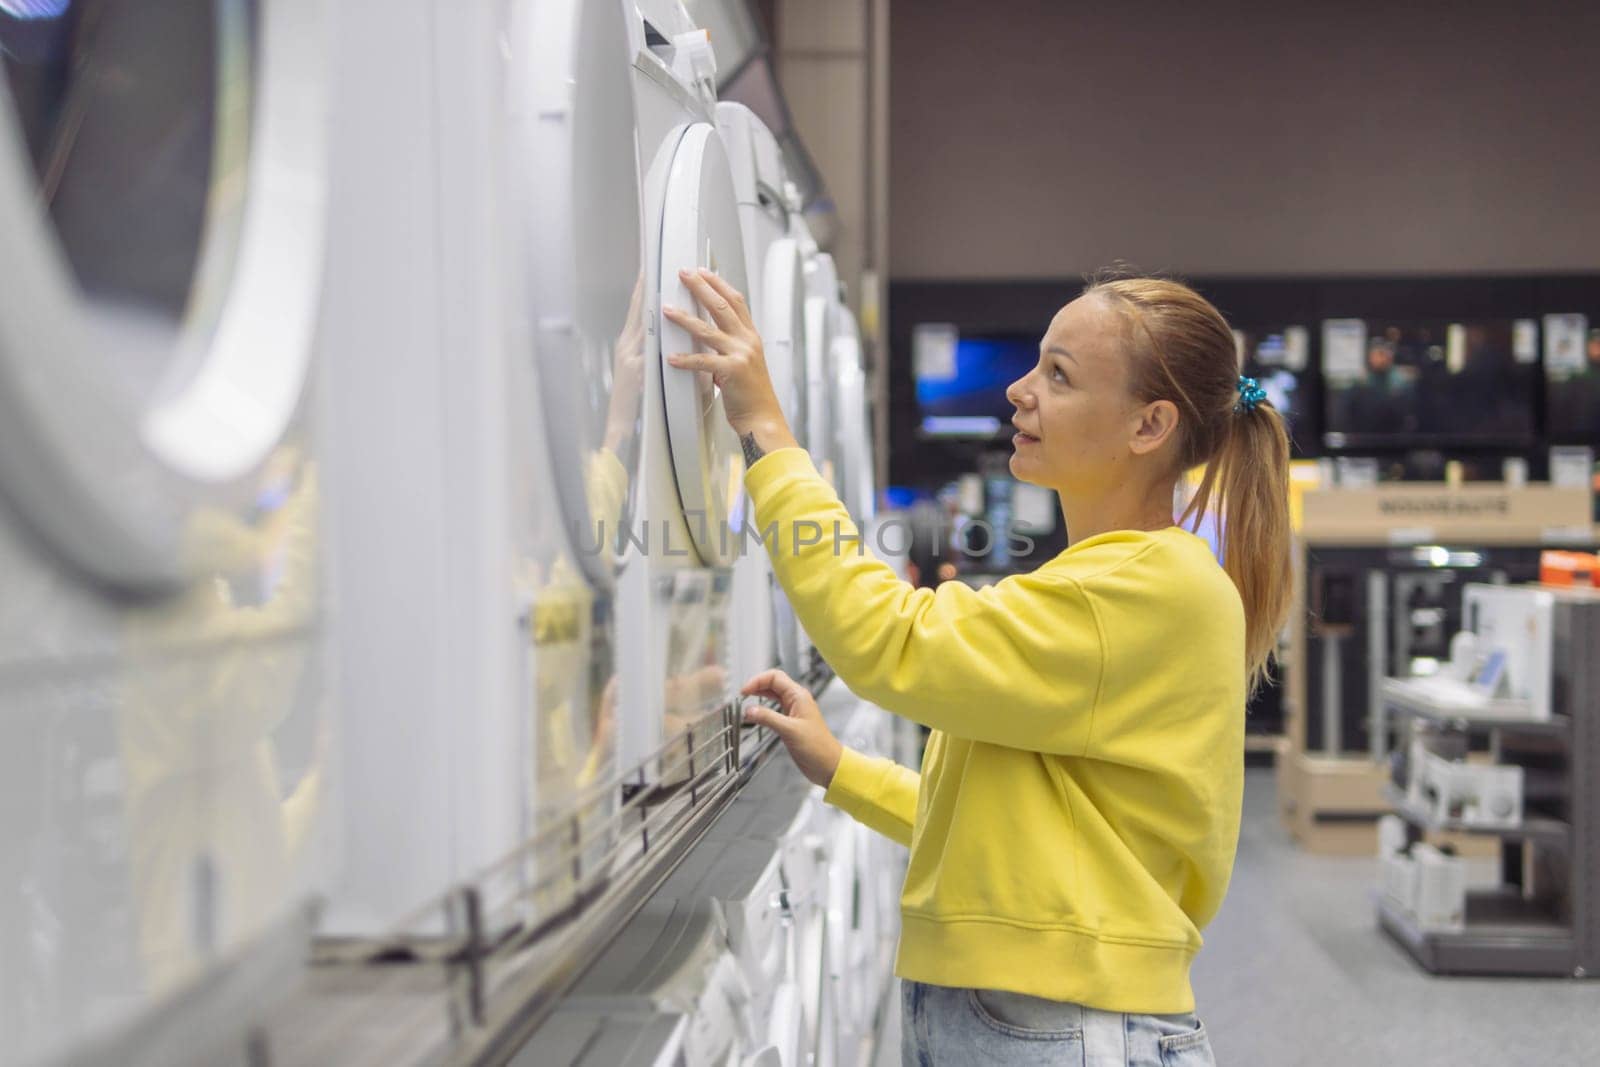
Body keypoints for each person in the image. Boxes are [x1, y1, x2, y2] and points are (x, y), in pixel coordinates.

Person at [664, 269, 1292, 1066]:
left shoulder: (1148, 588)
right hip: (1028, 1016)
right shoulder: (1107, 580)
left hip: (1068, 1024)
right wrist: (842, 769)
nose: (1019, 391)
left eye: (1059, 375)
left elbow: (888, 636)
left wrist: (766, 430)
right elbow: (1003, 825)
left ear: (1149, 424)